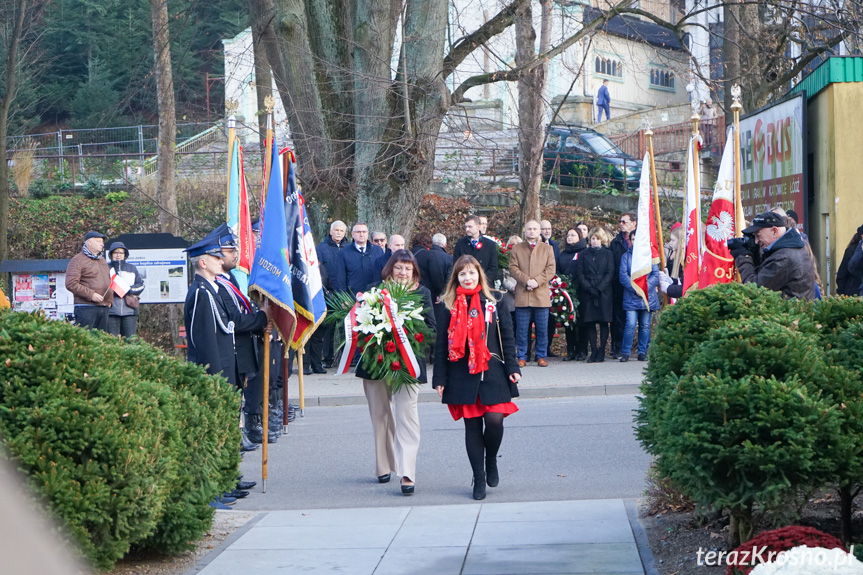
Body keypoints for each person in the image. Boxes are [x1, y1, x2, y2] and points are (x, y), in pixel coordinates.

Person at [433, 255, 521, 500]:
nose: (468, 278)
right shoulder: (447, 305)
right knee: (472, 425)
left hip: (492, 370)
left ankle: (491, 459)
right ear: (456, 278)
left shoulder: (496, 300)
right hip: (461, 374)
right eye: (462, 274)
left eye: (472, 273)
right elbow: (440, 346)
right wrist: (439, 378)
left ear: (479, 275)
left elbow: (508, 338)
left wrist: (513, 367)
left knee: (494, 420)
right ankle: (479, 477)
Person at [357, 250, 435, 495]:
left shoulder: (422, 293)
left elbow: (432, 328)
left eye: (408, 269)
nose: (402, 273)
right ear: (389, 269)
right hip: (377, 362)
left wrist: (407, 332)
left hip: (408, 365)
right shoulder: (374, 292)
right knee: (380, 415)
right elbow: (359, 326)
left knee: (407, 416)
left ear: (414, 272)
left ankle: (407, 473)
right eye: (398, 268)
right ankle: (383, 464)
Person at [730, 211, 817, 299]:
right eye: (754, 237)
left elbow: (753, 289)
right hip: (795, 310)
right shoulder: (793, 249)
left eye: (759, 236)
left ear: (775, 231)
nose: (756, 241)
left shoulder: (782, 258)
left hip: (787, 311)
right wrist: (755, 256)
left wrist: (744, 257)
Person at [508, 220, 556, 367]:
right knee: (522, 329)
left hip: (541, 295)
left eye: (535, 229)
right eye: (529, 229)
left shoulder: (547, 249)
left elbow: (550, 269)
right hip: (523, 294)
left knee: (542, 328)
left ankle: (541, 356)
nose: (532, 231)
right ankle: (522, 356)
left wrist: (536, 281)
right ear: (525, 231)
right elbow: (513, 268)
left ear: (539, 231)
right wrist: (526, 281)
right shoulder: (517, 248)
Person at [618, 231, 660, 362]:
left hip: (648, 296)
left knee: (645, 325)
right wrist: (635, 288)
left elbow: (655, 274)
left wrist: (645, 288)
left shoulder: (650, 256)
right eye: (633, 239)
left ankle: (643, 351)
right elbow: (623, 275)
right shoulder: (626, 257)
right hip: (631, 296)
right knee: (630, 324)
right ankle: (626, 352)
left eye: (637, 238)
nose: (635, 241)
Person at [576, 228, 614, 363]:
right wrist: (589, 287)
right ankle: (593, 350)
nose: (595, 241)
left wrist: (599, 288)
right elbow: (580, 273)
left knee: (604, 322)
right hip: (588, 291)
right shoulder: (583, 254)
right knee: (590, 322)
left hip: (604, 292)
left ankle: (602, 350)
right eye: (593, 238)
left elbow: (610, 273)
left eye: (597, 239)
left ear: (602, 240)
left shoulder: (608, 254)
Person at [65, 231, 112, 331]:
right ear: (89, 242)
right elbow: (71, 283)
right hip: (85, 307)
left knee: (102, 341)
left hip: (104, 307)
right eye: (98, 241)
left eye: (102, 242)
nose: (102, 244)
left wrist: (109, 300)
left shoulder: (102, 260)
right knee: (86, 340)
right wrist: (91, 295)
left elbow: (108, 281)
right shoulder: (77, 260)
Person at [559, 227, 588, 361]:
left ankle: (582, 350)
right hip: (566, 292)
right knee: (568, 322)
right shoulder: (563, 253)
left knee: (581, 323)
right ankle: (570, 350)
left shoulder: (584, 252)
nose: (569, 237)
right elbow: (558, 270)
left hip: (580, 291)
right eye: (568, 235)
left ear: (579, 237)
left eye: (573, 235)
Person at [610, 213, 636, 358]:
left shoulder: (640, 241)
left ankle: (636, 347)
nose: (621, 224)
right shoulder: (616, 242)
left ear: (634, 224)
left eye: (624, 222)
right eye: (620, 222)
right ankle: (617, 346)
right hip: (619, 285)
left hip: (638, 285)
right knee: (618, 317)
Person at [333, 222, 385, 294]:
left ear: (367, 233)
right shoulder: (343, 253)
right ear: (352, 234)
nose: (361, 234)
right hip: (352, 298)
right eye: (358, 232)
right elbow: (340, 279)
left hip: (375, 297)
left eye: (364, 232)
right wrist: (343, 300)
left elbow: (384, 274)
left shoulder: (378, 251)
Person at [106, 242, 144, 338]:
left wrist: (127, 290)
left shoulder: (132, 268)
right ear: (111, 254)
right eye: (115, 253)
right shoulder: (106, 268)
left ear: (125, 255)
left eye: (121, 253)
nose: (118, 255)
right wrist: (115, 291)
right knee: (111, 340)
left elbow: (140, 285)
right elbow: (103, 286)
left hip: (130, 311)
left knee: (130, 341)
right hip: (111, 311)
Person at [415, 233, 453, 317]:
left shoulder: (422, 254)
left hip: (420, 295)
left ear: (432, 242)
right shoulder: (450, 259)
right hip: (441, 298)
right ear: (445, 245)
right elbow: (449, 279)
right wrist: (442, 293)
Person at [453, 215, 498, 284]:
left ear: (478, 227)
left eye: (470, 227)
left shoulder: (490, 245)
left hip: (485, 285)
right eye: (466, 227)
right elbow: (456, 266)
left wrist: (480, 280)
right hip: (466, 284)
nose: (467, 229)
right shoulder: (460, 244)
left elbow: (493, 268)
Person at [658, 225, 685, 299]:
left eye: (673, 240)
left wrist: (669, 289)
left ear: (680, 241)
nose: (670, 243)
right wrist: (671, 281)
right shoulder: (677, 256)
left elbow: (687, 288)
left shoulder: (686, 260)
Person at [837, 225, 863, 296]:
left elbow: (841, 274)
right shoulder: (853, 251)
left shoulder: (850, 249)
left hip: (850, 291)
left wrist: (841, 292)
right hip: (853, 291)